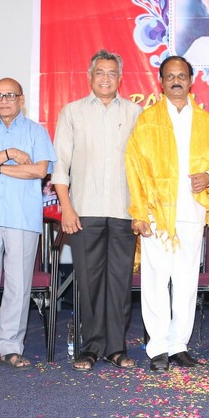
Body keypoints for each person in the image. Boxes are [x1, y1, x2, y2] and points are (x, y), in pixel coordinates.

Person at [125, 56, 209, 372]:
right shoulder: (148, 121)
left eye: (181, 76)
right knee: (157, 280)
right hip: (158, 214)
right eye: (169, 76)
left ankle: (178, 346)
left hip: (192, 212)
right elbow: (135, 168)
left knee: (186, 281)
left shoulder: (207, 123)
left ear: (191, 79)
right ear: (161, 81)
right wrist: (140, 212)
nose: (176, 81)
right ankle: (157, 347)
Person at [52, 50, 142, 371]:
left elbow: (142, 167)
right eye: (100, 73)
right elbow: (60, 165)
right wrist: (66, 208)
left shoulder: (135, 113)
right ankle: (90, 348)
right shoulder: (72, 112)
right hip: (84, 210)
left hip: (123, 211)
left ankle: (116, 348)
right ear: (90, 77)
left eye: (112, 73)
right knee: (88, 283)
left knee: (119, 283)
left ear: (120, 78)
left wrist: (141, 209)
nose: (105, 78)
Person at [0, 78, 55, 372]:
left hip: (22, 218)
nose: (4, 100)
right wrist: (11, 155)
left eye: (10, 95)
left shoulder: (36, 132)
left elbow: (39, 170)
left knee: (18, 286)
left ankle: (11, 348)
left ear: (21, 99)